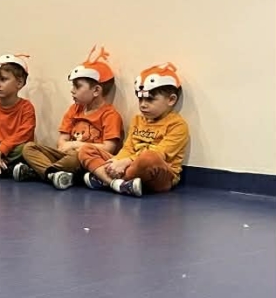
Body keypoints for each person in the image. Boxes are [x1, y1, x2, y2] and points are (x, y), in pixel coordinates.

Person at [14, 45, 123, 189]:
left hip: (85, 159)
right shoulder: (74, 109)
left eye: (77, 87)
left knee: (77, 156)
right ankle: (54, 173)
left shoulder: (110, 115)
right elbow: (62, 141)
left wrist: (76, 145)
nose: (72, 91)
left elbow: (108, 149)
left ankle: (41, 172)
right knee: (29, 148)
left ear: (96, 90)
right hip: (65, 155)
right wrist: (65, 146)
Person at [79, 62, 190, 196]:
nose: (143, 105)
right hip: (128, 165)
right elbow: (128, 148)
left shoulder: (177, 125)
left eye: (150, 100)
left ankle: (105, 179)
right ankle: (118, 184)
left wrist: (126, 162)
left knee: (148, 157)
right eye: (140, 99)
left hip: (161, 175)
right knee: (86, 149)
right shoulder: (137, 120)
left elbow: (160, 153)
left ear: (171, 100)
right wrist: (117, 161)